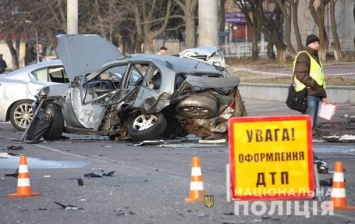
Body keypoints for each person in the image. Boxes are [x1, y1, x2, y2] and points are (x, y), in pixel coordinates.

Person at [293, 34, 328, 130]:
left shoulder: (314, 56)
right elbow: (300, 74)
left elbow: (320, 78)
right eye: (314, 43)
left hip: (315, 93)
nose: (317, 45)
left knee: (311, 122)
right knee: (308, 122)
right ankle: (306, 141)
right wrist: (314, 85)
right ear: (308, 44)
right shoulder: (304, 55)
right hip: (308, 93)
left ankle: (309, 140)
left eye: (318, 43)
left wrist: (323, 95)